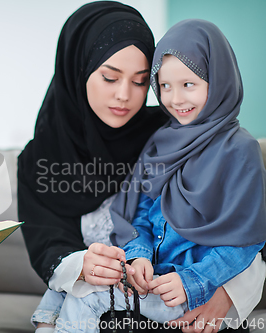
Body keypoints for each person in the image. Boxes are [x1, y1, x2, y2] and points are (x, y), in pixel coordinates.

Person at [17, 2, 266, 333]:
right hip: (116, 294)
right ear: (78, 70)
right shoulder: (40, 159)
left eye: (138, 82)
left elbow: (246, 234)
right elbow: (51, 251)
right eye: (109, 77)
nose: (124, 96)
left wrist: (226, 294)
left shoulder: (176, 132)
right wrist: (87, 266)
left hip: (177, 299)